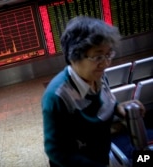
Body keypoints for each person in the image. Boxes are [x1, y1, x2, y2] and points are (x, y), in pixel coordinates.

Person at [41, 16, 145, 167]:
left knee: (146, 158)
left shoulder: (98, 75)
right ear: (74, 56)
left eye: (109, 54)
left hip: (102, 154)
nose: (106, 63)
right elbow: (57, 151)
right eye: (97, 56)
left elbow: (107, 100)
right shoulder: (57, 96)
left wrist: (118, 108)